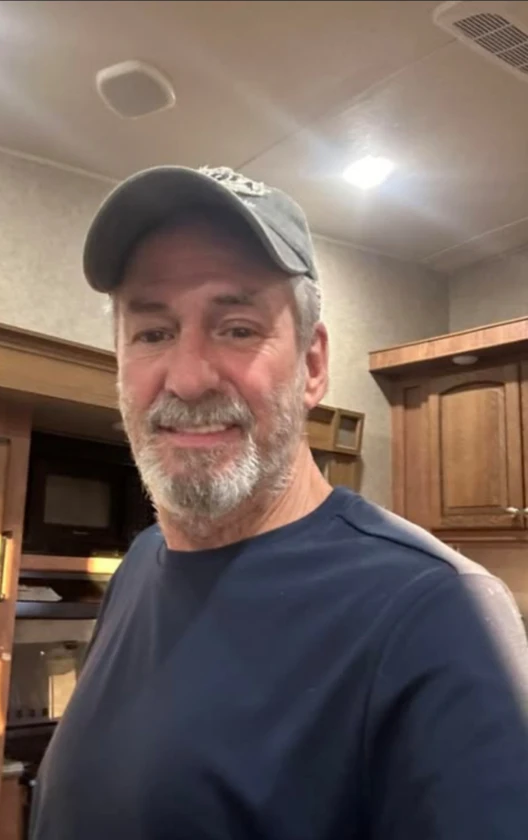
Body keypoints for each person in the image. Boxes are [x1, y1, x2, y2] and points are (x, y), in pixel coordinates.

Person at [29, 165, 528, 840]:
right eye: (152, 333)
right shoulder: (141, 565)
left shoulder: (436, 613)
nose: (188, 377)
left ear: (313, 366)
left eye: (237, 328)